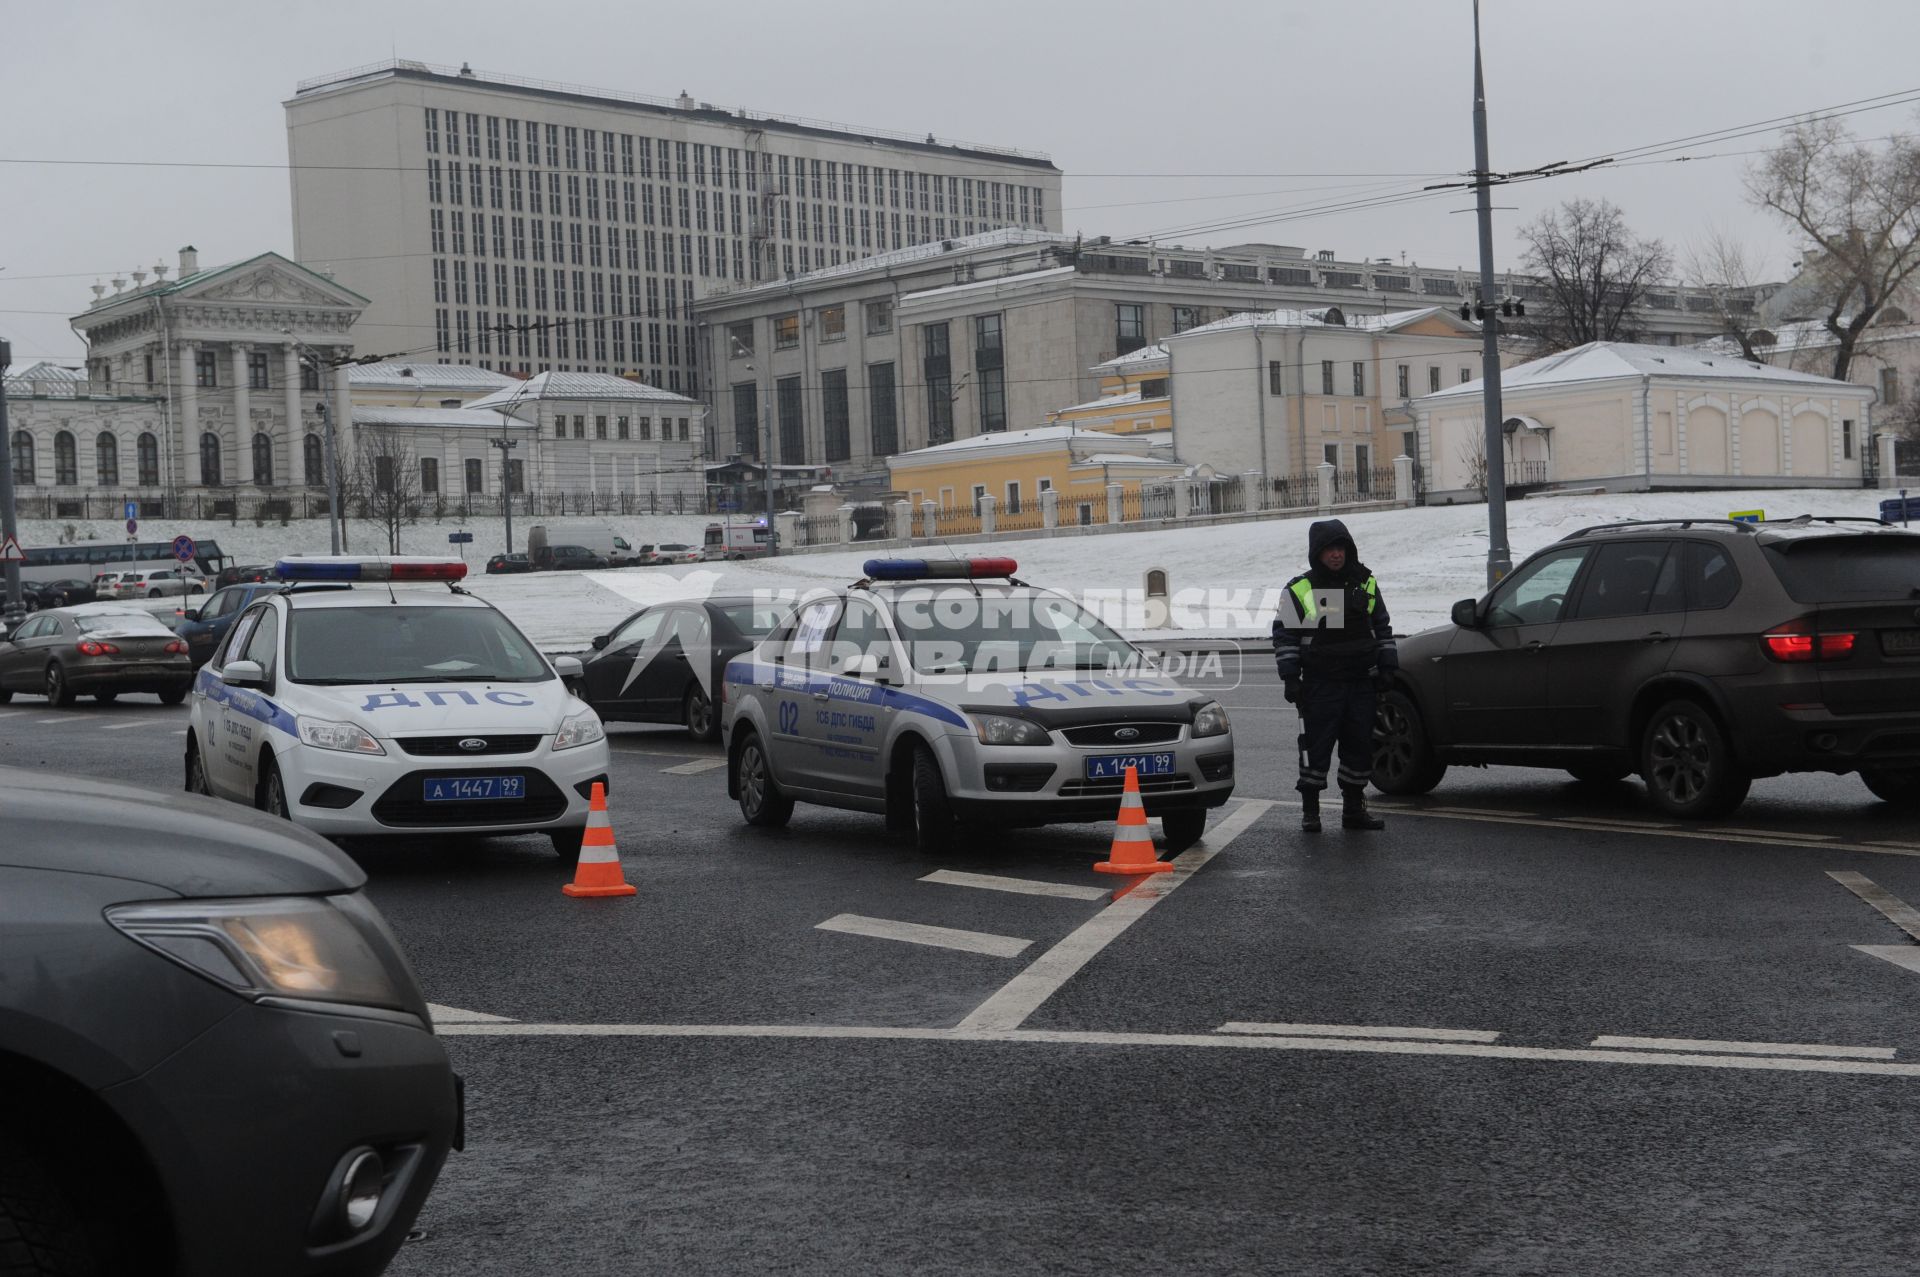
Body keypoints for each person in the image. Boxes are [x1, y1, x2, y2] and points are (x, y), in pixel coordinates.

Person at [1272, 518, 1398, 832]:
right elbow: (1285, 634)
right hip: (1320, 683)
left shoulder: (1366, 582)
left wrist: (1388, 669)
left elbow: (1382, 628)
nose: (1336, 555)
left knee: (1359, 747)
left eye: (1340, 548)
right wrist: (1290, 677)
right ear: (1318, 553)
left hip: (1360, 682)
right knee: (1315, 749)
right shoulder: (1300, 588)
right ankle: (1311, 812)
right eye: (1330, 549)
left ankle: (1353, 810)